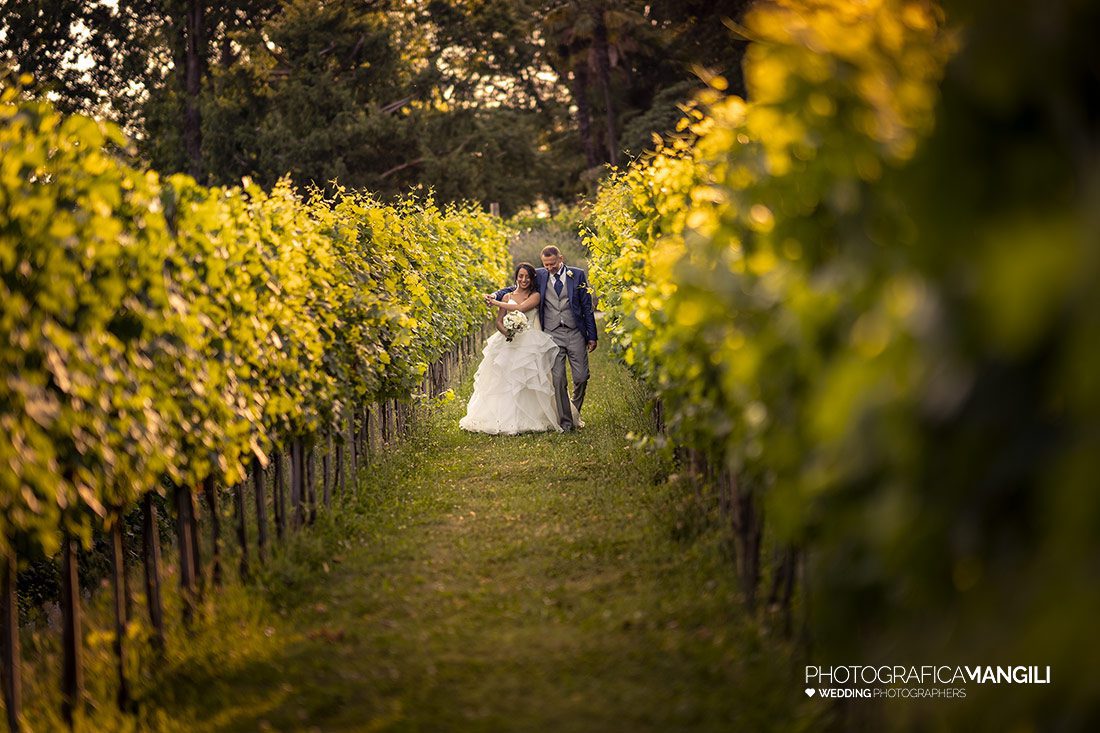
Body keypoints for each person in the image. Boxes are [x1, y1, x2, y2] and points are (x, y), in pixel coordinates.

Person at [486, 245, 597, 432]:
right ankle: (566, 422)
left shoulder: (577, 275)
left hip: (575, 332)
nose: (549, 268)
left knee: (581, 377)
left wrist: (591, 335)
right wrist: (496, 295)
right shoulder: (541, 274)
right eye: (546, 264)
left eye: (552, 264)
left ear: (560, 258)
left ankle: (574, 409)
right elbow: (516, 286)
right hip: (552, 333)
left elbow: (587, 307)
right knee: (558, 378)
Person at [460, 263, 563, 434]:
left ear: (532, 279)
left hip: (529, 343)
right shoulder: (507, 296)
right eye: (520, 276)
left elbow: (521, 308)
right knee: (503, 380)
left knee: (528, 379)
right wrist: (507, 333)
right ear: (516, 277)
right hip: (508, 342)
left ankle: (532, 418)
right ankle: (502, 418)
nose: (523, 280)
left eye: (527, 277)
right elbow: (499, 321)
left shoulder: (535, 295)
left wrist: (495, 301)